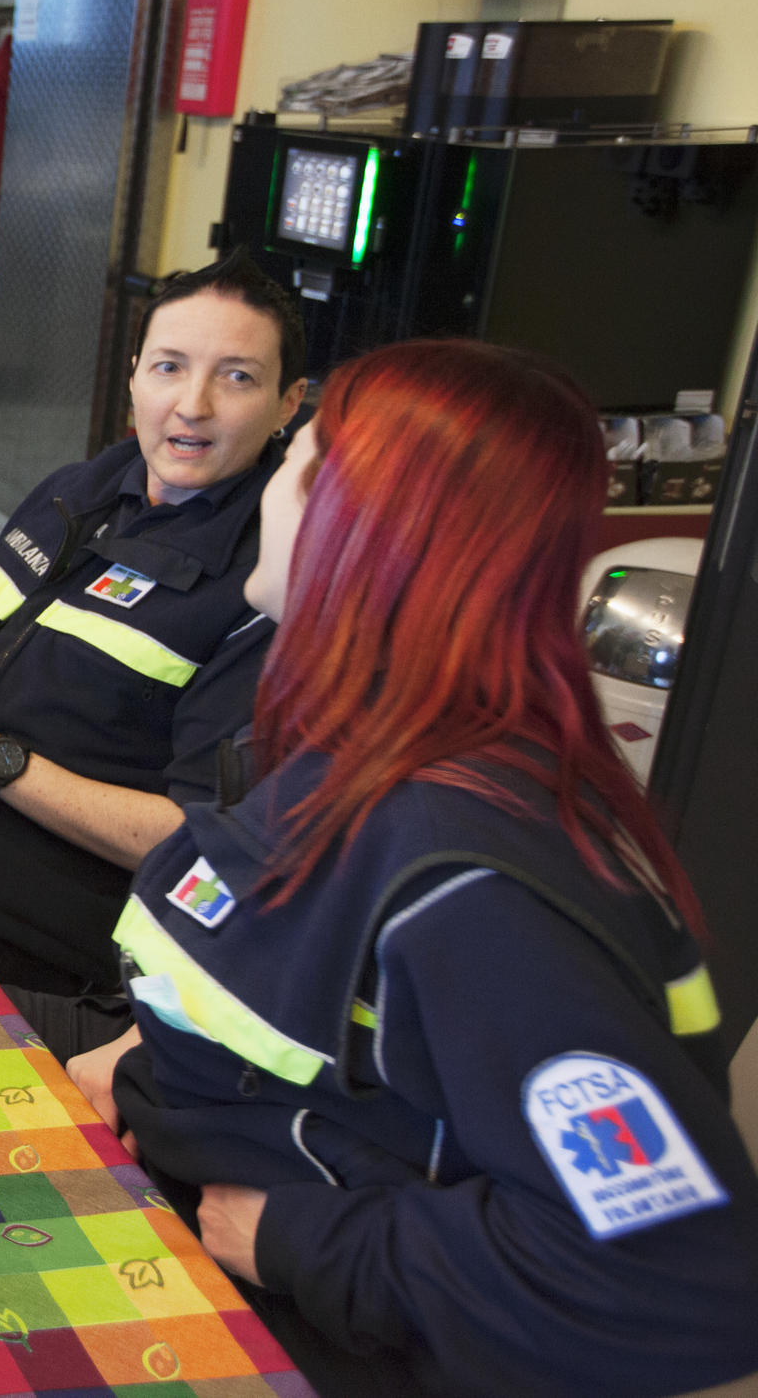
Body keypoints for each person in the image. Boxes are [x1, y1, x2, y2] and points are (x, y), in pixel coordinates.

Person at [64, 340, 758, 1398]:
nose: (271, 485)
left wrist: (306, 1239)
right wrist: (146, 1058)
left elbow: (676, 1277)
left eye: (298, 460)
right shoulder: (356, 750)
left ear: (367, 529)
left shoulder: (474, 884)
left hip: (309, 1314)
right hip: (180, 1145)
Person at [0, 254, 306, 1060]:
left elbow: (195, 846)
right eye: (169, 367)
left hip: (26, 936)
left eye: (238, 378)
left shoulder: (266, 587)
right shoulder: (88, 485)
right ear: (133, 377)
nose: (192, 405)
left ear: (289, 403)